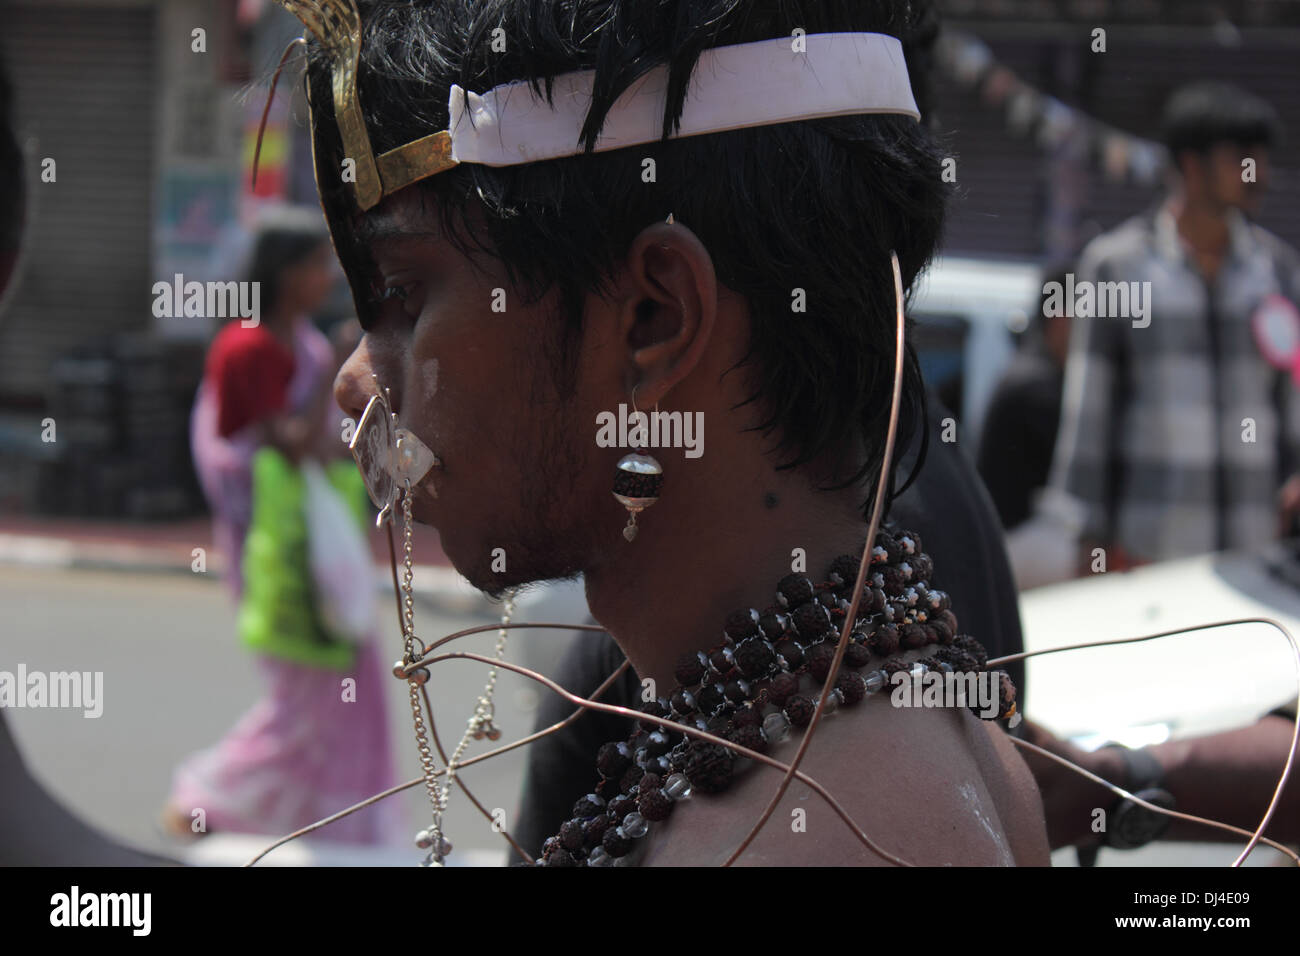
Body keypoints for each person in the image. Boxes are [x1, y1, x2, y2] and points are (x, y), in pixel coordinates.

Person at [306, 0, 1047, 865]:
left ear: (656, 317)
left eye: (403, 294)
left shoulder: (820, 836)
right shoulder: (805, 744)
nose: (352, 382)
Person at [160, 208, 401, 845]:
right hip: (277, 549)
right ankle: (207, 798)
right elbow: (287, 449)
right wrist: (334, 379)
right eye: (318, 263)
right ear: (285, 272)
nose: (327, 276)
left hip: (316, 543)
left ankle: (325, 819)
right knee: (307, 694)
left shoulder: (302, 339)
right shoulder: (250, 347)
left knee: (348, 683)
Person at [1042, 81, 1300, 571]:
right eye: (1242, 158)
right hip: (1149, 559)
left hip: (1258, 557)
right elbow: (1089, 412)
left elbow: (1292, 396)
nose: (1259, 173)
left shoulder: (1281, 271)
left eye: (1262, 158)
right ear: (1190, 165)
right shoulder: (1116, 267)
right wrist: (1089, 541)